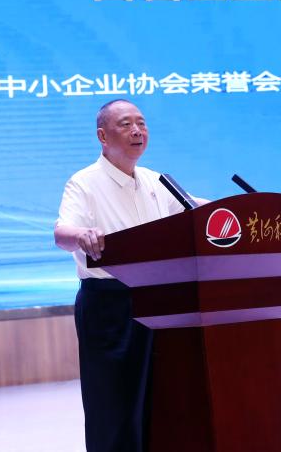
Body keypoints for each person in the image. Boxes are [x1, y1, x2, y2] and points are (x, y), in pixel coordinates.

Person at [54, 99, 188, 452]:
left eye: (141, 123)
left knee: (160, 402)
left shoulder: (157, 180)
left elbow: (194, 211)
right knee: (113, 406)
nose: (137, 131)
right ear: (103, 136)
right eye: (126, 124)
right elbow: (62, 233)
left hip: (159, 301)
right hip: (109, 307)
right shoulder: (84, 182)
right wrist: (81, 235)